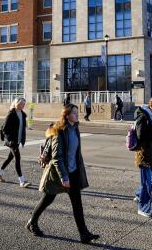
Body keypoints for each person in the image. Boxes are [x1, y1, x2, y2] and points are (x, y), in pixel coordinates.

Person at [26, 104, 99, 244]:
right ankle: (32, 222)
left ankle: (84, 234)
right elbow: (57, 158)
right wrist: (64, 177)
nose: (77, 115)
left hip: (73, 172)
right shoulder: (60, 132)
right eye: (74, 113)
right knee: (48, 199)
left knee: (77, 203)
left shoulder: (75, 129)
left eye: (78, 112)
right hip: (60, 173)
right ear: (67, 115)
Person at [133, 95, 152, 218]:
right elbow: (140, 135)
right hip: (144, 154)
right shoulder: (143, 116)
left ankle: (139, 194)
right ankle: (143, 207)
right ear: (151, 106)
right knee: (146, 182)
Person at [0, 98, 30, 188]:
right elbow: (4, 129)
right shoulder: (11, 114)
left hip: (18, 140)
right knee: (17, 158)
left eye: (24, 104)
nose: (22, 105)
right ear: (15, 103)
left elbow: (22, 128)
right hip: (12, 141)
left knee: (10, 157)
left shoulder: (23, 114)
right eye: (21, 103)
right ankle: (22, 181)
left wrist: (22, 139)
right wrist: (10, 140)